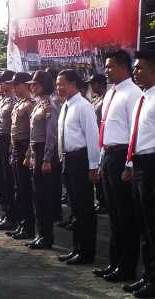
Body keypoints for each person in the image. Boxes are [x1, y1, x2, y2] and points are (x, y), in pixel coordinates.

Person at [93, 49, 141, 282]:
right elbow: (107, 128)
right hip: (109, 154)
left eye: (111, 66)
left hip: (123, 154)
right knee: (113, 215)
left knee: (126, 216)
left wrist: (130, 164)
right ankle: (114, 263)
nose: (107, 70)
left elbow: (135, 132)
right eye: (107, 66)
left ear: (124, 67)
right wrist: (102, 159)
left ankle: (127, 267)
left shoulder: (133, 93)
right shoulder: (113, 92)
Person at [56, 69, 100, 265]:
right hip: (68, 160)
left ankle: (87, 252)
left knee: (85, 209)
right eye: (57, 84)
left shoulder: (83, 106)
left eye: (62, 83)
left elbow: (92, 137)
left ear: (73, 84)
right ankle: (77, 249)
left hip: (81, 159)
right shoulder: (66, 105)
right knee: (75, 209)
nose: (58, 87)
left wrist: (93, 166)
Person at [121, 50, 155, 298]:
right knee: (144, 224)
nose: (135, 72)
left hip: (153, 165)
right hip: (140, 164)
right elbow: (137, 138)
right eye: (135, 67)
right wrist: (130, 165)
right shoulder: (144, 98)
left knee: (153, 226)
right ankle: (148, 276)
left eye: (140, 67)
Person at [25, 70, 59, 249]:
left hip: (45, 153)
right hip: (36, 151)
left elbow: (51, 135)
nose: (32, 87)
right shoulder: (39, 104)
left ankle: (47, 236)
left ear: (44, 85)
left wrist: (46, 158)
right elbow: (33, 135)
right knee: (37, 196)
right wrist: (29, 155)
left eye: (36, 84)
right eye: (32, 84)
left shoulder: (49, 106)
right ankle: (41, 234)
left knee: (44, 197)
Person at [6, 72, 36, 240]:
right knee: (18, 189)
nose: (14, 88)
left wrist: (28, 154)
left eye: (16, 85)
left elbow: (33, 132)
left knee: (25, 190)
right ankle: (22, 224)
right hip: (16, 147)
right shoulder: (19, 103)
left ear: (25, 85)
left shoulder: (31, 104)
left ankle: (28, 227)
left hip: (24, 148)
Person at [0, 70, 16, 231]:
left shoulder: (14, 101)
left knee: (9, 181)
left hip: (9, 141)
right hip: (0, 140)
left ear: (9, 83)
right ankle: (6, 214)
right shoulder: (3, 99)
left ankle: (12, 216)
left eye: (2, 82)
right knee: (1, 179)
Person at [87, 74, 108, 214]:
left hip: (104, 138)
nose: (91, 86)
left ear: (100, 84)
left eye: (93, 83)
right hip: (95, 138)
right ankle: (101, 200)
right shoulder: (96, 99)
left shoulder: (107, 98)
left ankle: (104, 202)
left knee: (102, 173)